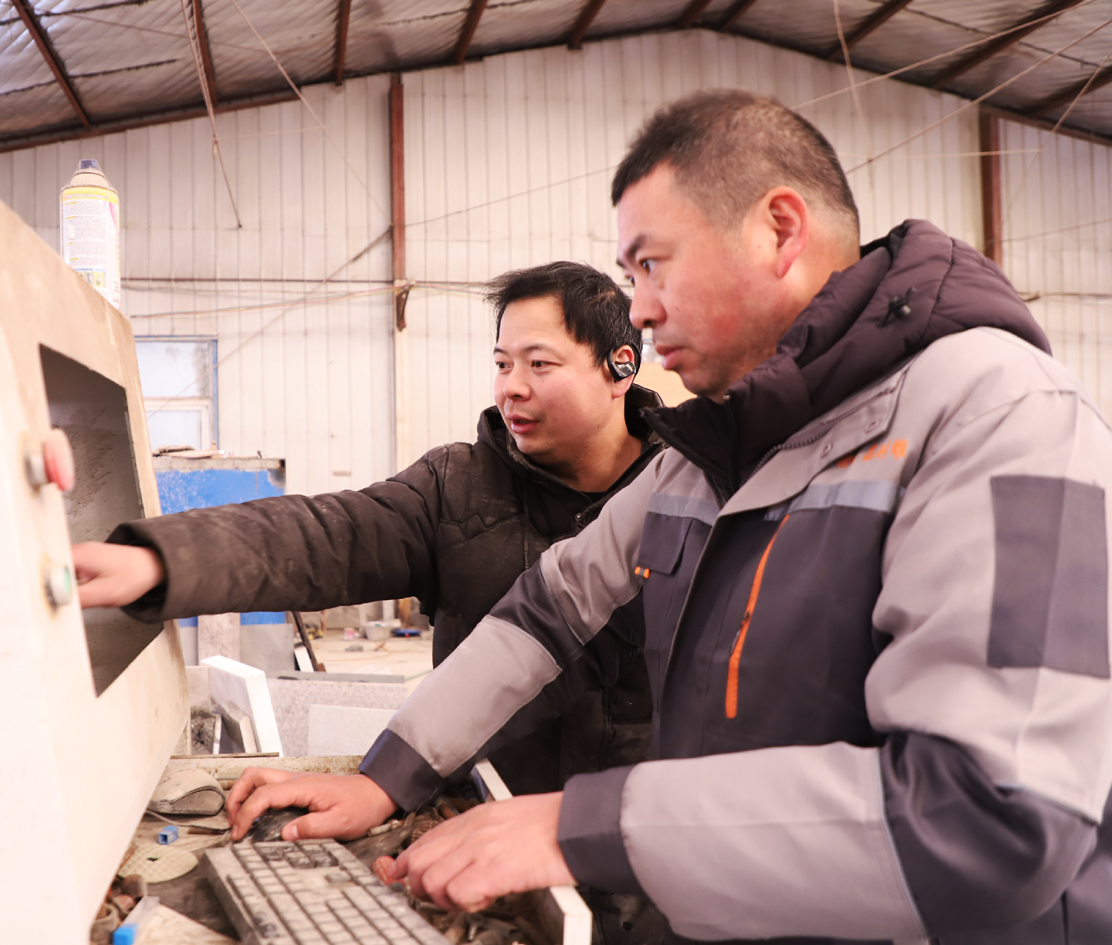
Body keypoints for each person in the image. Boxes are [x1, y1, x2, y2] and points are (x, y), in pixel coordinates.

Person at [225, 89, 1112, 945]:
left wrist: (585, 826)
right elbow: (550, 613)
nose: (640, 311)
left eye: (652, 265)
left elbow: (992, 812)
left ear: (779, 230)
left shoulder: (995, 413)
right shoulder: (711, 454)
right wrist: (386, 777)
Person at [74, 261, 671, 941]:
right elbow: (328, 536)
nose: (512, 386)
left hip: (649, 855)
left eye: (539, 363)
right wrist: (162, 559)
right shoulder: (458, 489)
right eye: (501, 363)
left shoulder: (688, 494)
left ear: (620, 367)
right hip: (476, 842)